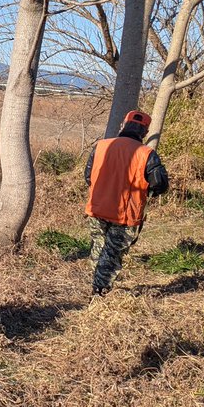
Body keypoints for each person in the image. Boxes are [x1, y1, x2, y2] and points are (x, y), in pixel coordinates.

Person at [84, 110, 169, 296]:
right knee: (112, 254)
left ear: (123, 125)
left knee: (99, 247)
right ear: (145, 132)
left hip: (97, 208)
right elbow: (160, 183)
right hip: (125, 214)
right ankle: (99, 291)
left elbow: (88, 177)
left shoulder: (100, 146)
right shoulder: (147, 154)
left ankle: (95, 283)